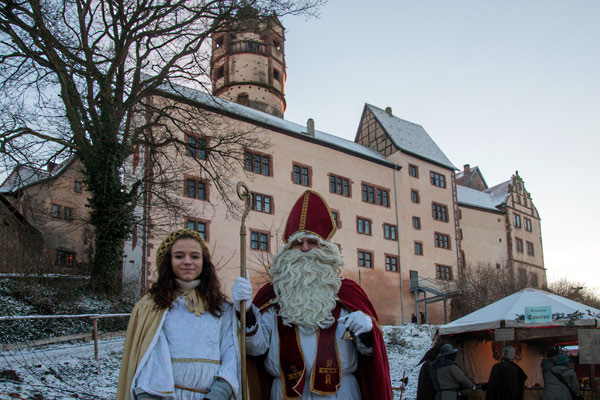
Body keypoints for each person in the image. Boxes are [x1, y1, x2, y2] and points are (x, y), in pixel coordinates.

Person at [232, 190, 393, 399]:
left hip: (341, 393)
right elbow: (256, 348)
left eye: (312, 242)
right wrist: (246, 311)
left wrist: (367, 332)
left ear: (326, 248)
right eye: (298, 244)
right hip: (284, 393)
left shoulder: (348, 292)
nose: (305, 249)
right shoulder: (273, 295)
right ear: (288, 252)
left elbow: (370, 355)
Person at [116, 229, 240, 400]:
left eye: (195, 256)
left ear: (204, 262)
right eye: (179, 256)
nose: (187, 262)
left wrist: (219, 393)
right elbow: (148, 359)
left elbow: (231, 352)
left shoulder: (221, 308)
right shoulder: (152, 306)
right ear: (169, 261)